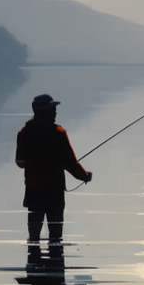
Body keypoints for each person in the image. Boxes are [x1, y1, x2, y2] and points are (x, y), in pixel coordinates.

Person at [15, 93, 91, 244]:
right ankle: (55, 263)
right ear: (43, 111)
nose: (55, 112)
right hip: (53, 192)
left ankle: (33, 263)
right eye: (51, 109)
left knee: (33, 237)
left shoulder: (24, 133)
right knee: (55, 236)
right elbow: (71, 163)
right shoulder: (58, 134)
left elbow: (19, 162)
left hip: (33, 191)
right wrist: (85, 176)